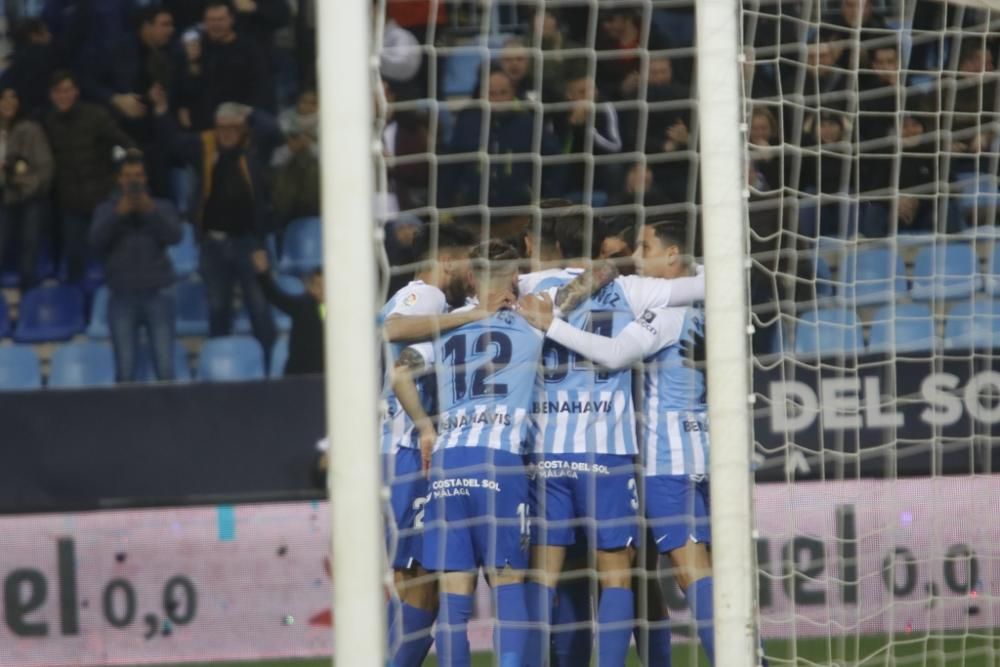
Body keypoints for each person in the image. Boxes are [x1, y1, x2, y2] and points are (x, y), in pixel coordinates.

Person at [517, 210, 707, 667]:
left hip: (546, 450)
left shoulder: (523, 290)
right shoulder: (631, 288)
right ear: (601, 245)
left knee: (544, 575)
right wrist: (613, 269)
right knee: (622, 575)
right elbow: (707, 283)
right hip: (610, 450)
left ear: (535, 245)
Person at [391, 240, 539, 667]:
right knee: (508, 585)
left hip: (449, 461)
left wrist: (424, 427)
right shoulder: (532, 319)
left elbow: (399, 371)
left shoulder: (449, 323)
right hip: (501, 459)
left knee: (454, 596)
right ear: (513, 277)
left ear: (471, 278)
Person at [150, 86, 281, 356]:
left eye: (232, 127)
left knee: (259, 304)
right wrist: (162, 110)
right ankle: (222, 360)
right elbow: (173, 141)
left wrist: (247, 111)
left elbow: (275, 130)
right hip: (213, 243)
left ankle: (270, 364)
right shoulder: (205, 146)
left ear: (242, 127)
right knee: (218, 305)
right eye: (221, 128)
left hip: (249, 242)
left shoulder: (253, 148)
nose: (226, 134)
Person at [89, 150, 182, 383]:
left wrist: (151, 212)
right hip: (122, 295)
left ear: (145, 178)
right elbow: (94, 241)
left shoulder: (162, 206)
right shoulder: (105, 209)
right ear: (119, 179)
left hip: (158, 293)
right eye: (128, 175)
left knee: (165, 368)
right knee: (125, 370)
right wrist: (117, 215)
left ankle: (171, 419)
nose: (133, 180)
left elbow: (175, 236)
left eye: (138, 175)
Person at [45, 70, 134, 284]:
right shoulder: (47, 122)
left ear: (76, 92)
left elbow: (125, 146)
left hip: (102, 200)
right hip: (70, 204)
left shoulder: (96, 115)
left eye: (67, 90)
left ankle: (112, 304)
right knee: (74, 261)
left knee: (110, 256)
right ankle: (79, 311)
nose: (63, 96)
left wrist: (118, 176)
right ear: (52, 95)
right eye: (58, 91)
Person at [175, 0, 269, 131]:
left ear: (232, 19)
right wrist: (193, 62)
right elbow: (187, 89)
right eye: (210, 20)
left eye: (220, 20)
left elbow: (259, 88)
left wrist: (247, 117)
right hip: (202, 122)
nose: (215, 25)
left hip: (237, 121)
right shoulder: (196, 47)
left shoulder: (248, 49)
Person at [0, 85, 53, 291]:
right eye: (3, 98)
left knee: (30, 245)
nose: (8, 102)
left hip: (30, 198)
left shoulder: (31, 129)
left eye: (13, 97)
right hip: (3, 198)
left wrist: (23, 182)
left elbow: (45, 169)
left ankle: (28, 295)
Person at [250, 249, 323, 376]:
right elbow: (275, 296)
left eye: (327, 285)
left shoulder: (342, 312)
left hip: (329, 378)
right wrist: (263, 274)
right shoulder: (302, 306)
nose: (322, 290)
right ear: (310, 287)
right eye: (318, 285)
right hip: (298, 376)